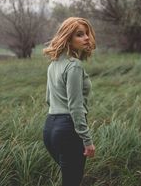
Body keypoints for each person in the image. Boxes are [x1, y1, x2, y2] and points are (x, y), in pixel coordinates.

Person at [42, 17, 96, 186]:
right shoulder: (74, 66)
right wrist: (87, 141)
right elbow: (75, 107)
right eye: (80, 34)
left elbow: (48, 99)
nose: (86, 37)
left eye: (86, 33)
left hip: (50, 128)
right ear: (68, 39)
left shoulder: (53, 64)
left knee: (69, 178)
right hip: (68, 130)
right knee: (72, 181)